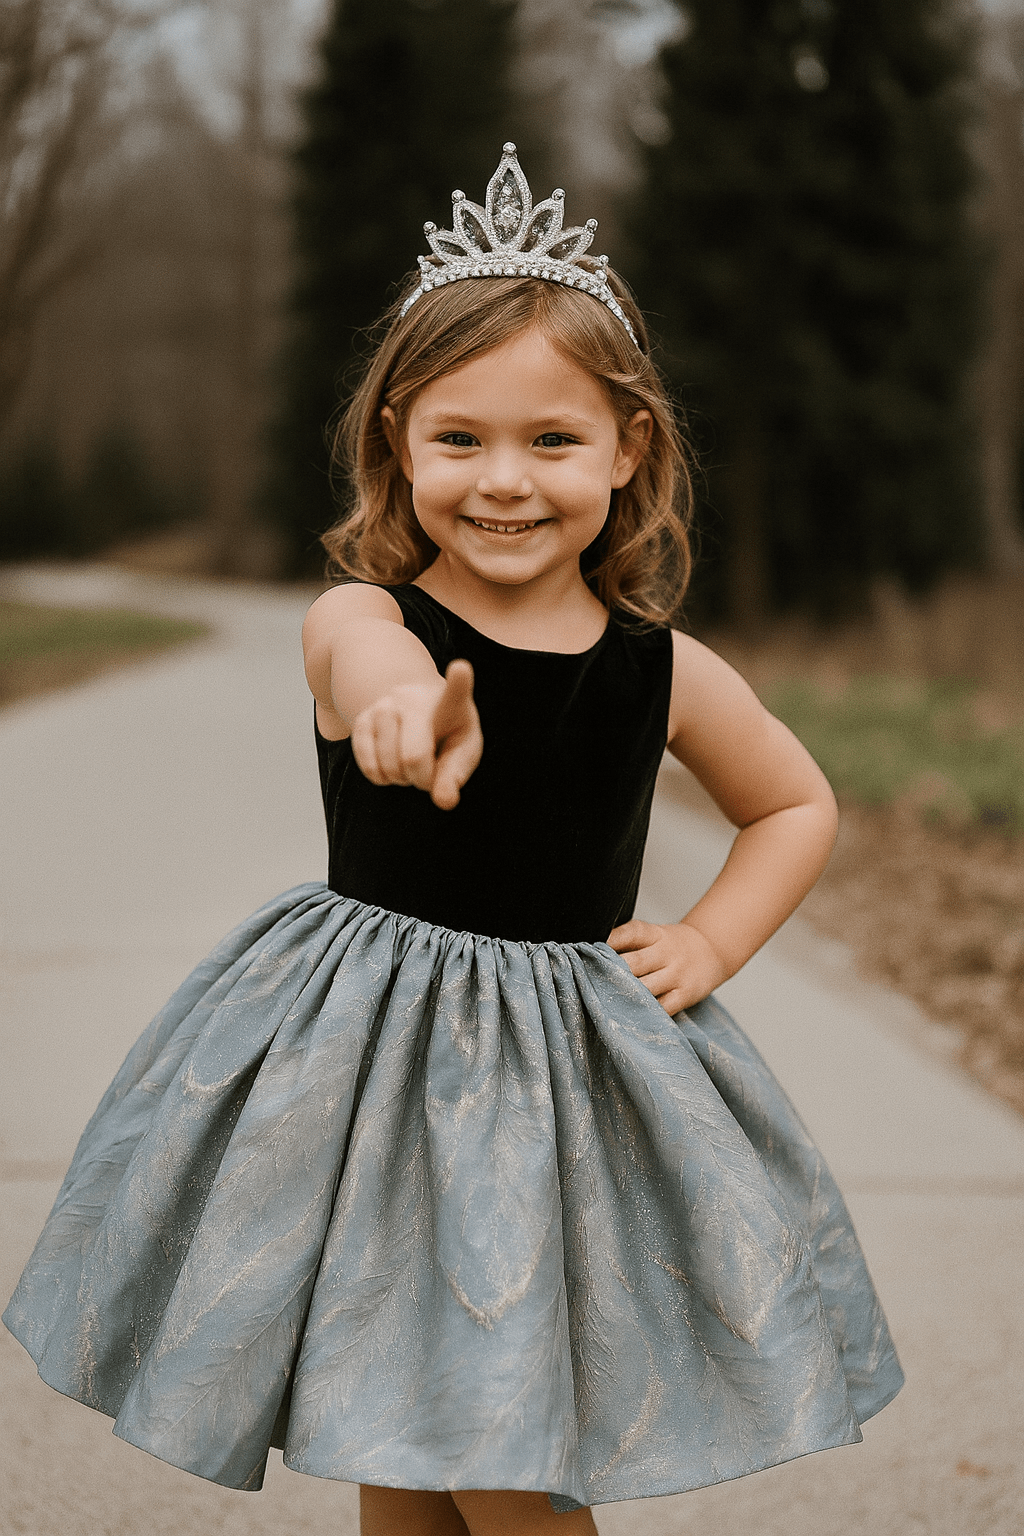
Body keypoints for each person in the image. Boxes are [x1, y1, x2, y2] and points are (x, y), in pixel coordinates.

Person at [4, 145, 902, 1536]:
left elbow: (795, 803)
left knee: (508, 1448)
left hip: (561, 1087)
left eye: (552, 441)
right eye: (458, 439)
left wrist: (713, 936)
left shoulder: (667, 671)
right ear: (396, 447)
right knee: (407, 1436)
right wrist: (406, 716)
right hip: (374, 1062)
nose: (505, 481)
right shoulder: (364, 624)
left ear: (629, 449)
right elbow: (361, 669)